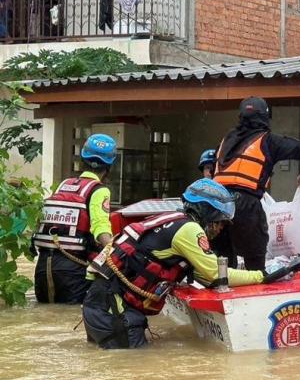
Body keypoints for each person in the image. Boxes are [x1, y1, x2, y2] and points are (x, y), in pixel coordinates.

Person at [82, 179, 270, 349]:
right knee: (135, 370)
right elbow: (215, 274)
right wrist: (262, 276)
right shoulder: (189, 230)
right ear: (207, 212)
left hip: (98, 305)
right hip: (113, 310)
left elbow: (205, 278)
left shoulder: (173, 222)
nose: (221, 228)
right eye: (220, 222)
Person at [213, 96, 300, 271]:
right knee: (255, 259)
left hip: (216, 204)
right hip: (245, 204)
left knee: (222, 263)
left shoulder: (227, 139)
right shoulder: (269, 141)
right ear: (265, 118)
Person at [32, 134, 117, 304]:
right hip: (72, 270)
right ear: (110, 165)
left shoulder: (65, 184)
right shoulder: (99, 190)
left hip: (43, 267)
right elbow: (100, 228)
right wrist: (118, 254)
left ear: (82, 159)